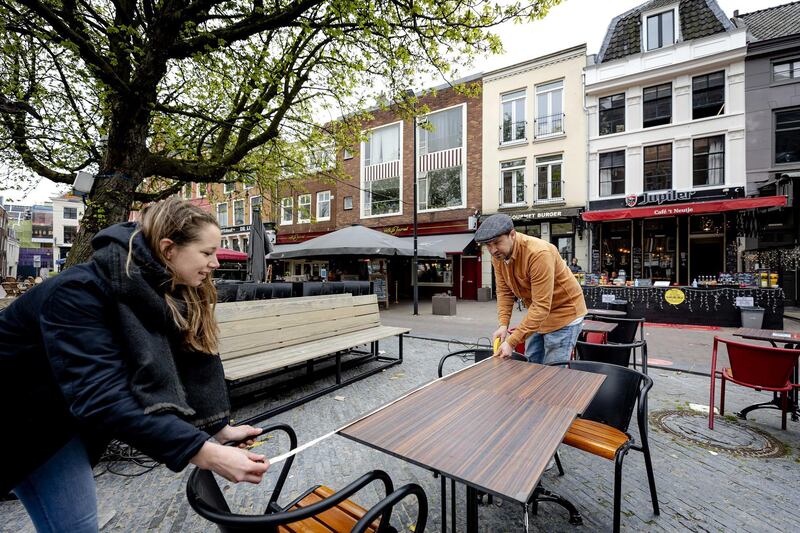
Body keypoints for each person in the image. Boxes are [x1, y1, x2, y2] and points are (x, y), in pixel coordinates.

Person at [0, 198, 268, 532]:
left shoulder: (161, 287)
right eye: (207, 252)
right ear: (168, 248)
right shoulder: (77, 293)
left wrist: (217, 428)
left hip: (61, 418)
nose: (215, 262)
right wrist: (204, 452)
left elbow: (187, 362)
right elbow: (100, 395)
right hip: (20, 420)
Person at [476, 214, 587, 364]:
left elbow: (541, 307)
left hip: (565, 314)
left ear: (512, 235)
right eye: (488, 245)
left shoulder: (538, 253)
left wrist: (511, 342)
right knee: (531, 363)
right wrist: (503, 324)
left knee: (554, 371)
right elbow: (504, 291)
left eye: (497, 242)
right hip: (539, 315)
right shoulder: (499, 256)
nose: (493, 250)